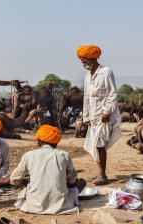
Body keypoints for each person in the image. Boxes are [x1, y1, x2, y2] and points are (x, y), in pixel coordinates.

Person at [10, 124, 86, 214]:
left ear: (39, 141)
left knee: (28, 189)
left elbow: (13, 179)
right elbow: (72, 181)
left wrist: (25, 183)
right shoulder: (64, 155)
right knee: (82, 182)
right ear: (56, 143)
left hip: (34, 206)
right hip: (62, 206)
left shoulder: (28, 155)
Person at [77, 45, 122, 185]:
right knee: (94, 145)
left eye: (84, 61)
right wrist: (85, 117)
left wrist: (106, 111)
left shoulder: (106, 72)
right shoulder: (87, 76)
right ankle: (99, 173)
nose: (82, 64)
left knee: (99, 144)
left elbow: (112, 93)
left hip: (104, 117)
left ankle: (103, 175)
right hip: (93, 118)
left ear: (92, 58)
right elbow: (86, 98)